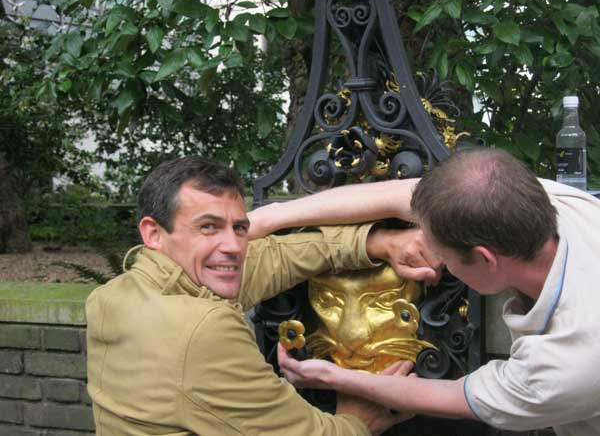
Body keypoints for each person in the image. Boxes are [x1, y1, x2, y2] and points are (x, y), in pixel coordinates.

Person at [249, 148, 600, 436]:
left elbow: (454, 396)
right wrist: (270, 218)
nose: (434, 262)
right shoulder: (556, 205)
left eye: (443, 258)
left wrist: (332, 377)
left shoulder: (571, 361)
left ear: (485, 259)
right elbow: (394, 196)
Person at [85, 155, 421, 436]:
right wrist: (357, 419)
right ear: (154, 233)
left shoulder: (112, 296)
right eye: (208, 227)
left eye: (240, 227)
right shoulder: (203, 328)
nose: (233, 247)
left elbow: (275, 258)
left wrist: (377, 242)